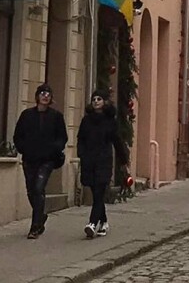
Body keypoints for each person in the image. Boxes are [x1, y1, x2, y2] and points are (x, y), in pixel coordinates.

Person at [13, 83, 68, 239]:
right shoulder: (27, 115)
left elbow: (62, 137)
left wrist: (54, 149)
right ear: (37, 96)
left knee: (39, 188)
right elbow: (18, 135)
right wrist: (23, 148)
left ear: (51, 98)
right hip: (30, 158)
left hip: (47, 159)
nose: (45, 96)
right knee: (31, 190)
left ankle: (35, 226)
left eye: (48, 94)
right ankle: (41, 215)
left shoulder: (56, 117)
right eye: (42, 93)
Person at [76, 88, 131, 239]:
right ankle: (104, 222)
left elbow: (117, 141)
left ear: (105, 102)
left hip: (104, 160)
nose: (95, 102)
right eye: (94, 99)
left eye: (99, 99)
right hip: (89, 160)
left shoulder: (109, 121)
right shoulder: (86, 120)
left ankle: (92, 224)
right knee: (96, 194)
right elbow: (80, 138)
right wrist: (81, 153)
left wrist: (123, 160)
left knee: (99, 191)